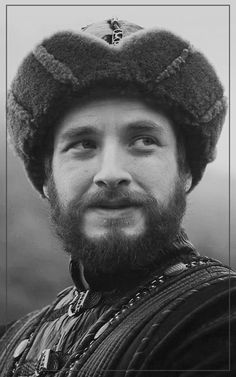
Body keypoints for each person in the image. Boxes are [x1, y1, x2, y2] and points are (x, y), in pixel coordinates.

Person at [1, 18, 235, 376]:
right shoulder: (12, 338)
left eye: (143, 141)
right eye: (83, 144)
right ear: (46, 179)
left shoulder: (221, 318)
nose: (110, 173)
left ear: (185, 170)